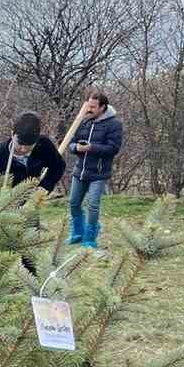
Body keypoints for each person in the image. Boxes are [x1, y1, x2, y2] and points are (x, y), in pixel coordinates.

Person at [67, 88, 123, 249]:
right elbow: (72, 143)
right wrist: (76, 147)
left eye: (93, 107)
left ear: (103, 107)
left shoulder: (114, 124)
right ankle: (77, 233)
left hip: (98, 173)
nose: (89, 109)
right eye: (88, 105)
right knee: (73, 203)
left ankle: (90, 238)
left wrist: (91, 148)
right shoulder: (83, 121)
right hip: (80, 170)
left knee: (92, 204)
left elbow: (113, 148)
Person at [0, 113, 66, 193]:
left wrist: (45, 187)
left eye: (29, 146)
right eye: (19, 144)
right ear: (12, 134)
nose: (23, 149)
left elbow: (58, 166)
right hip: (6, 201)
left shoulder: (44, 145)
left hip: (32, 199)